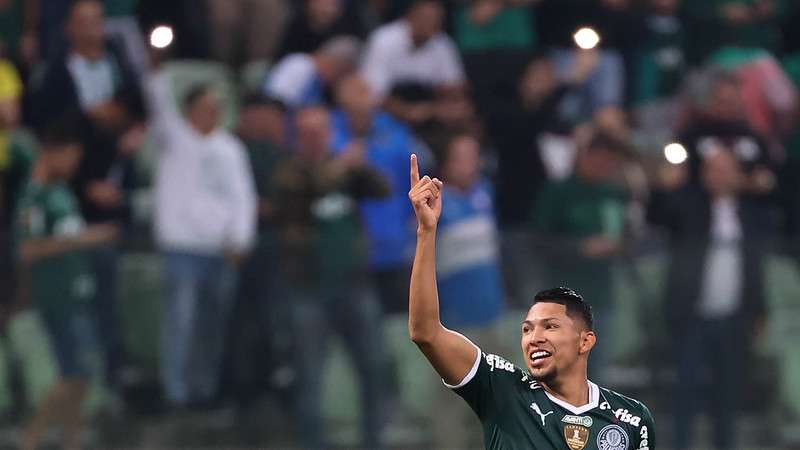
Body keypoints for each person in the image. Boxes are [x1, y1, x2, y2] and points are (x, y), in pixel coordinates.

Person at [407, 153, 656, 449]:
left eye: (550, 327)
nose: (534, 338)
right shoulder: (504, 390)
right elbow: (426, 332)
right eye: (527, 329)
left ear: (585, 341)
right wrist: (426, 232)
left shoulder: (630, 421)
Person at [272, 106, 389, 448]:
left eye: (321, 131)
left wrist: (360, 165)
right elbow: (304, 193)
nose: (315, 138)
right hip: (308, 288)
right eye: (307, 132)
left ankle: (373, 441)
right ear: (298, 136)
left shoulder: (345, 171)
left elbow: (382, 189)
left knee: (373, 367)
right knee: (309, 377)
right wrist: (340, 167)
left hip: (354, 284)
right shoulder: (289, 173)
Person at [146, 58, 257, 409]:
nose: (213, 112)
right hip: (181, 247)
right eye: (206, 107)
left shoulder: (231, 148)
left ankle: (204, 389)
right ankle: (176, 393)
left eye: (217, 107)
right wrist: (157, 68)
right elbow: (158, 102)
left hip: (221, 250)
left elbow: (243, 197)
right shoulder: (174, 139)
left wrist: (241, 239)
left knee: (213, 325)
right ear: (189, 110)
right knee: (180, 323)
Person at [648, 148, 769, 450]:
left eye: (727, 168)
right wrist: (663, 185)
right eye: (715, 168)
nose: (721, 175)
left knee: (726, 396)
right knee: (684, 392)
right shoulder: (690, 207)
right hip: (692, 315)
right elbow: (658, 215)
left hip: (733, 318)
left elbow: (755, 268)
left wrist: (758, 311)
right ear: (704, 174)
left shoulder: (750, 213)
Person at [14, 118, 119, 450]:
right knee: (70, 374)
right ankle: (30, 440)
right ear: (53, 152)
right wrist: (85, 240)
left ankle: (70, 442)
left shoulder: (61, 191)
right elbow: (28, 249)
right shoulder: (33, 197)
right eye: (71, 156)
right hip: (56, 296)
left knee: (81, 377)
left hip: (79, 291)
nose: (75, 164)